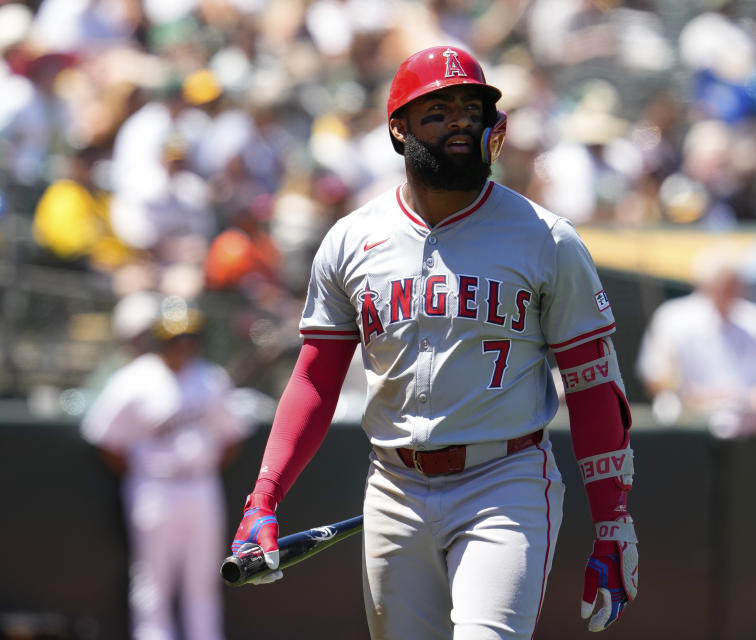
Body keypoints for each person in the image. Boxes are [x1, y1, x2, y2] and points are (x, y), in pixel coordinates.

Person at [229, 45, 639, 638]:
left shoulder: (547, 238)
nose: (460, 121)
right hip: (394, 485)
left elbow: (595, 387)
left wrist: (613, 521)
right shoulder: (352, 239)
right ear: (399, 129)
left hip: (506, 480)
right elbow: (315, 379)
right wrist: (263, 497)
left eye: (471, 108)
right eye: (439, 109)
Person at [81, 295, 253, 640]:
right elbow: (103, 436)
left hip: (201, 486)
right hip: (154, 487)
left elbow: (232, 434)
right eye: (177, 337)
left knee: (204, 579)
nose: (185, 344)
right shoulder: (134, 379)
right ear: (161, 339)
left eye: (191, 337)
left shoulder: (210, 378)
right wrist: (144, 471)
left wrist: (203, 466)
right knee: (152, 579)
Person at [636, 247, 756, 445]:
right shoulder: (672, 317)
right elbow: (656, 379)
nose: (731, 292)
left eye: (735, 285)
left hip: (755, 426)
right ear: (705, 284)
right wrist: (699, 398)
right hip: (692, 431)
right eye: (723, 285)